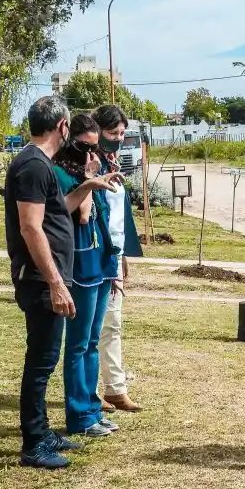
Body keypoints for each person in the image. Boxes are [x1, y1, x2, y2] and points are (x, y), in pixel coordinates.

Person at [4, 96, 122, 469]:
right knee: (40, 363)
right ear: (62, 127)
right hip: (41, 279)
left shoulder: (41, 164)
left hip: (50, 276)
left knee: (47, 359)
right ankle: (33, 443)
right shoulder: (33, 166)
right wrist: (55, 281)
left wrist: (89, 185)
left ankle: (43, 431)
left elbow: (62, 210)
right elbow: (30, 227)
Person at [52, 114, 120, 438]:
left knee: (93, 340)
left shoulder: (92, 167)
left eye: (96, 147)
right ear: (71, 142)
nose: (92, 154)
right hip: (80, 264)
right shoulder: (62, 173)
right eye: (86, 147)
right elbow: (80, 215)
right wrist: (89, 182)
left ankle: (92, 408)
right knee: (78, 343)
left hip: (100, 260)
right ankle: (79, 415)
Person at [94, 104, 144, 413]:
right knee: (96, 326)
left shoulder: (112, 162)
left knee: (114, 323)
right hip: (97, 254)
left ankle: (115, 387)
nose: (119, 139)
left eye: (123, 133)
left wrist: (124, 254)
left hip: (115, 253)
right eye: (113, 133)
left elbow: (120, 214)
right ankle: (93, 390)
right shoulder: (89, 165)